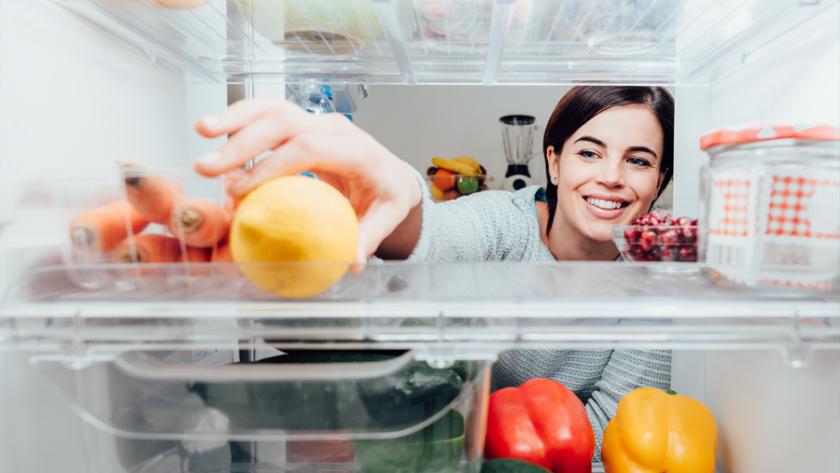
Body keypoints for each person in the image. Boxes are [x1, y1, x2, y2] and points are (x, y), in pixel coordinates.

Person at [193, 85, 674, 456]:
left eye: (638, 160)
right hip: (445, 439)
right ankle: (199, 403)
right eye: (589, 152)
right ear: (553, 162)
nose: (611, 176)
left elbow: (620, 427)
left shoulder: (654, 279)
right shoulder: (505, 220)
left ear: (659, 182)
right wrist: (399, 193)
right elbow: (438, 236)